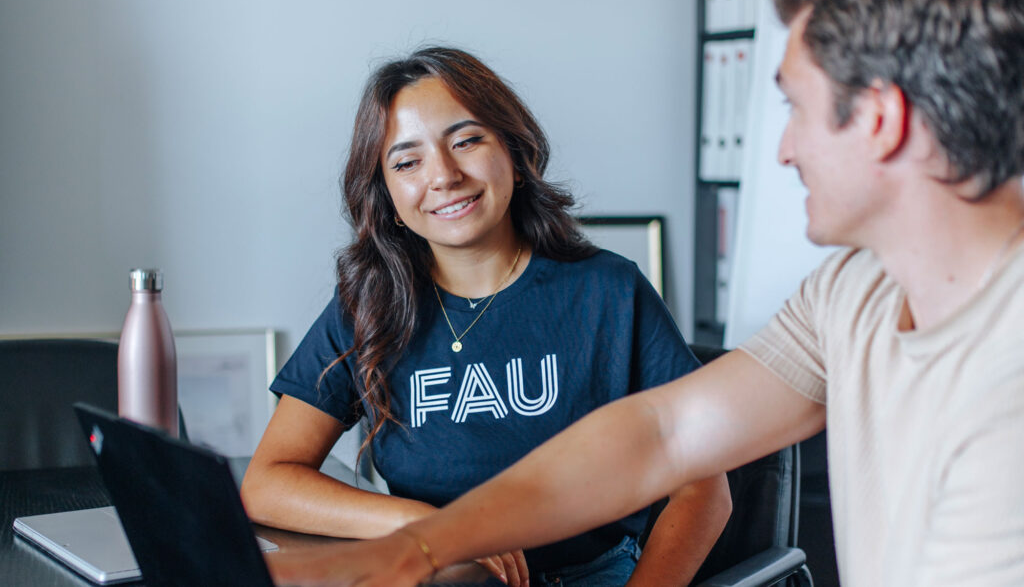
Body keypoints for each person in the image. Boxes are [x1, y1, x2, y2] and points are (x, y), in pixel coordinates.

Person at [266, 0, 1024, 587]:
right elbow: (664, 434)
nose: (784, 150)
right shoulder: (850, 293)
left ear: (882, 119)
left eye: (796, 108)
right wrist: (424, 543)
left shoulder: (1006, 389)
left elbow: (696, 482)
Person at [240, 46, 731, 587]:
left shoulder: (609, 290)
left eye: (466, 141)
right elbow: (267, 483)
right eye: (407, 162)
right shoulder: (368, 305)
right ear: (388, 196)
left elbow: (704, 488)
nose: (444, 176)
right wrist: (422, 523)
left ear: (515, 155)